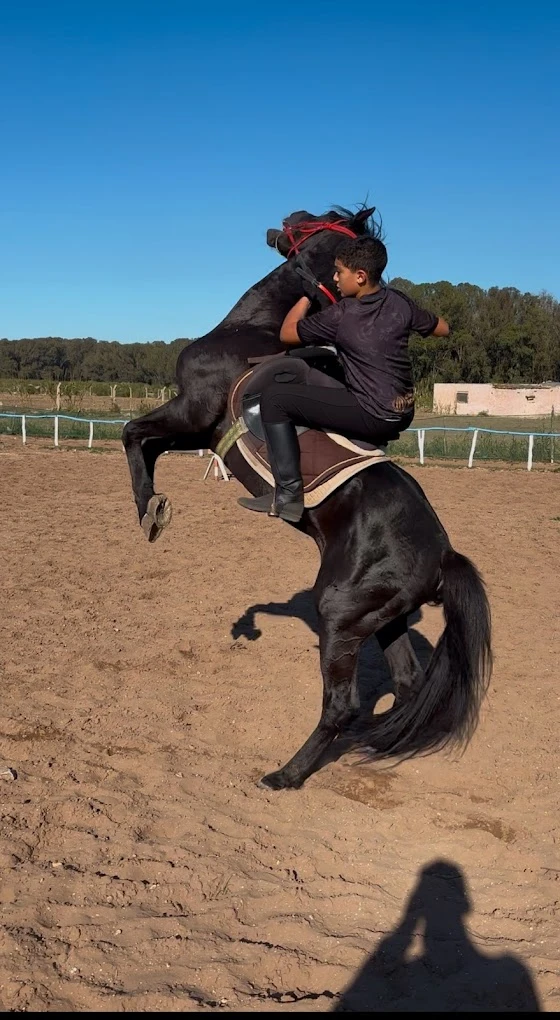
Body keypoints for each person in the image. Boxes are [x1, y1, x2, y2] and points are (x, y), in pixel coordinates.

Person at [238, 236, 449, 522]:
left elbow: (287, 333)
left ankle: (288, 495)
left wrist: (305, 297)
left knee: (275, 399)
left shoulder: (342, 314)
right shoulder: (400, 302)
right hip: (405, 411)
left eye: (339, 272)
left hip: (373, 414)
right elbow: (442, 328)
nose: (335, 278)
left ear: (360, 276)